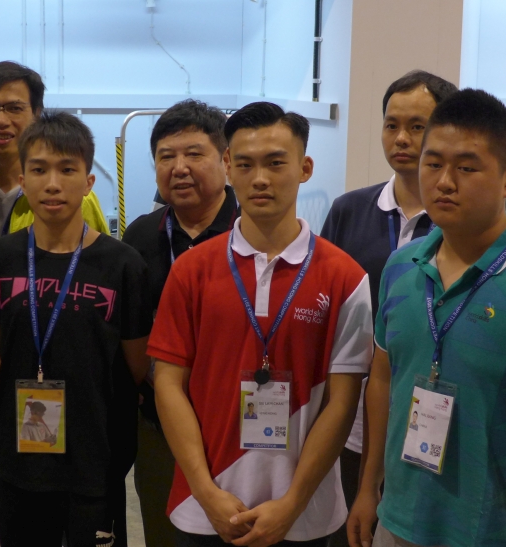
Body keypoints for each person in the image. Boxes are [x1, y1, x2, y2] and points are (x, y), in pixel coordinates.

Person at [348, 89, 506, 547]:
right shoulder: (402, 268)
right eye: (434, 164)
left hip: (493, 534)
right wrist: (368, 489)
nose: (445, 181)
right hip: (397, 522)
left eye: (466, 168)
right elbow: (384, 380)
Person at [150, 101, 373, 547]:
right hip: (204, 508)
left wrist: (292, 503)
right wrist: (205, 491)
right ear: (228, 166)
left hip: (304, 513)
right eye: (246, 164)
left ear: (305, 167)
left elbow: (342, 402)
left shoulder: (346, 277)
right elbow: (168, 385)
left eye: (276, 163)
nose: (261, 179)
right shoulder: (191, 271)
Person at [0, 111, 152, 547]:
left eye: (68, 170)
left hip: (96, 457)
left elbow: (135, 364)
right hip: (21, 460)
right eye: (39, 169)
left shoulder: (123, 265)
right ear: (24, 180)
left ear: (88, 181)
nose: (53, 183)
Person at [319, 70, 457, 547]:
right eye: (391, 124)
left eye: (417, 126)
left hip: (432, 417)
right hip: (351, 415)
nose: (400, 138)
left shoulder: (457, 221)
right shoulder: (348, 210)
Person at [0, 61, 109, 485]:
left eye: (14, 108)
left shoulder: (70, 199)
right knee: (14, 507)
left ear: (37, 114)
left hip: (61, 387)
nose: (0, 120)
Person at [121, 98, 239, 547]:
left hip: (239, 421)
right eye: (166, 157)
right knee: (165, 530)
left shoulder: (250, 233)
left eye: (194, 154)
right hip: (158, 424)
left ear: (225, 161)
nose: (179, 167)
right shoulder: (139, 236)